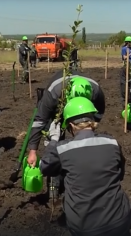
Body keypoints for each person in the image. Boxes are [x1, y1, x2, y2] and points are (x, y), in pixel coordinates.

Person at [40, 97, 131, 236]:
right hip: (120, 220)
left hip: (85, 228)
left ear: (71, 126)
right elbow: (120, 175)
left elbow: (44, 167)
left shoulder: (62, 149)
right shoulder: (112, 143)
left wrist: (53, 141)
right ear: (92, 121)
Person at [26, 70, 106, 199]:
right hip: (57, 108)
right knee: (54, 138)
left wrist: (84, 133)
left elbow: (98, 114)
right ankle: (54, 184)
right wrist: (33, 150)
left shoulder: (95, 92)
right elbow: (40, 120)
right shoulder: (53, 93)